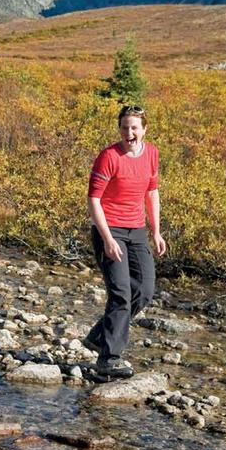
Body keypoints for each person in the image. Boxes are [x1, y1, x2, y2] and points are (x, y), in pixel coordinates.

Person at [84, 104, 166, 378]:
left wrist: (156, 231)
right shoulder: (109, 156)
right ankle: (108, 359)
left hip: (137, 231)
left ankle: (98, 336)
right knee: (120, 293)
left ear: (144, 129)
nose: (129, 133)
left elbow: (152, 192)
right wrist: (107, 238)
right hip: (110, 230)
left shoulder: (152, 153)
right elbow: (93, 200)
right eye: (124, 127)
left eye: (134, 128)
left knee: (143, 291)